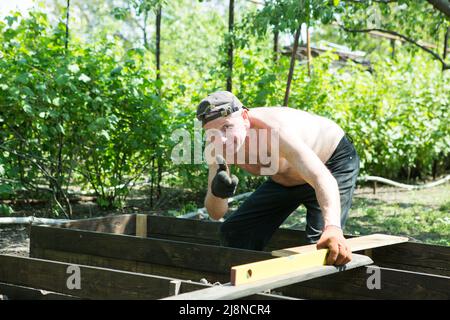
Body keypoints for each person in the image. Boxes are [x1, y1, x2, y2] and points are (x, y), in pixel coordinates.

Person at [197, 91, 360, 266]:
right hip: (285, 180)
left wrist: (333, 228)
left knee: (324, 246)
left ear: (244, 117)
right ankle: (254, 288)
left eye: (227, 127)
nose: (222, 139)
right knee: (234, 232)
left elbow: (322, 178)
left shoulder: (274, 130)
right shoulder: (216, 146)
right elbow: (216, 213)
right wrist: (218, 192)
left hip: (331, 166)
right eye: (212, 133)